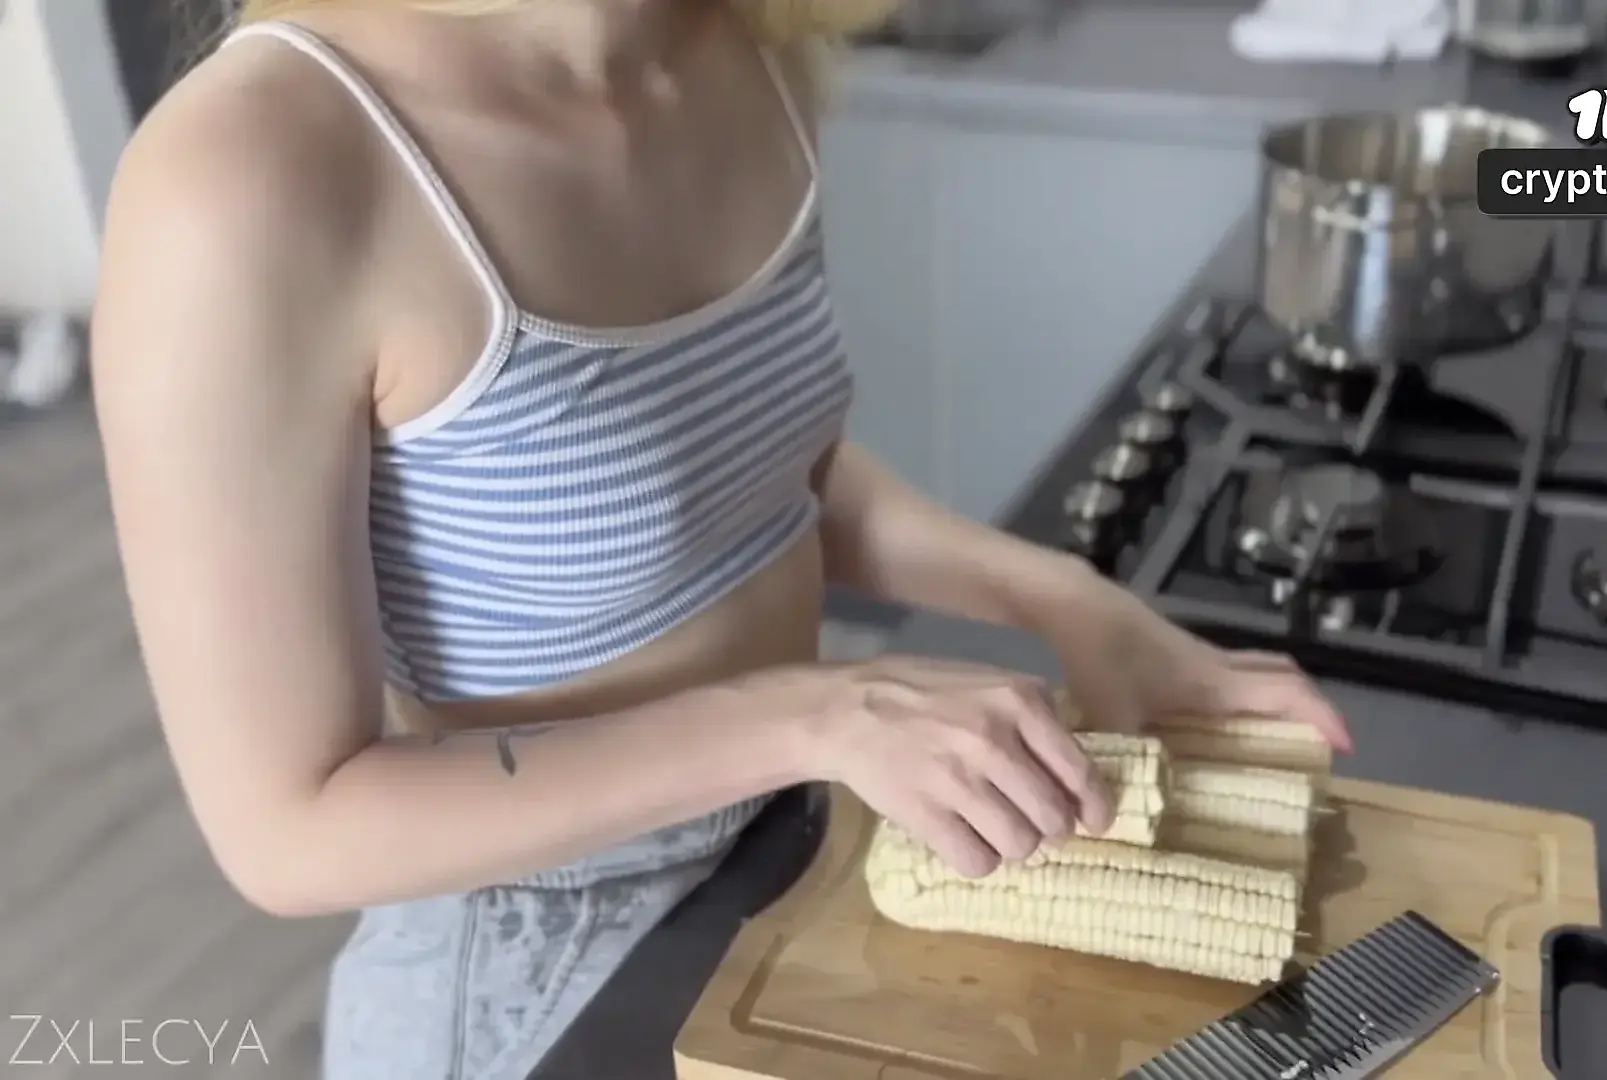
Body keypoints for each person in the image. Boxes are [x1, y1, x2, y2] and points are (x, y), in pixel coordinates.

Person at [90, 0, 1353, 1075]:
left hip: (796, 860)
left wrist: (1073, 602)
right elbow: (290, 827)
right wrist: (814, 713)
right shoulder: (248, 174)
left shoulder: (744, 47)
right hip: (537, 992)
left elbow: (765, 478)